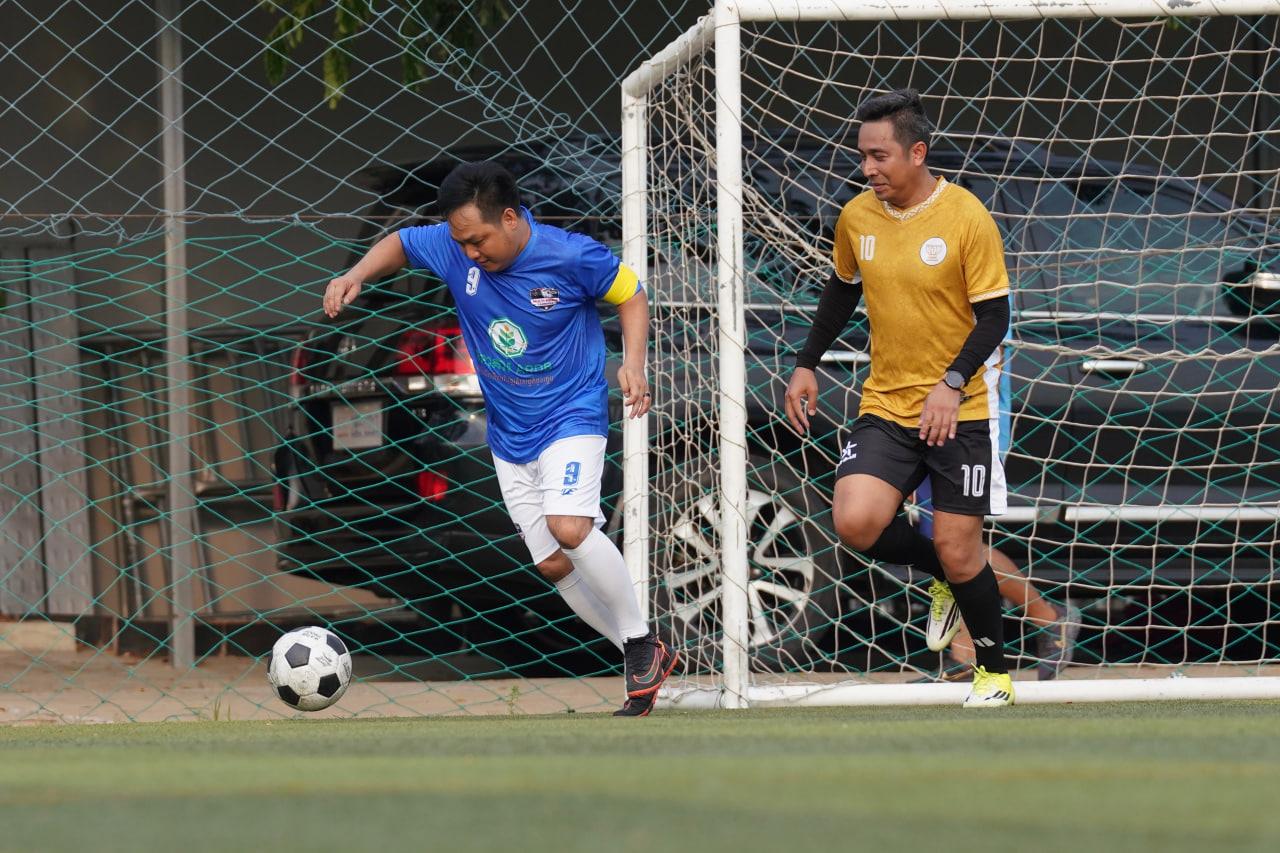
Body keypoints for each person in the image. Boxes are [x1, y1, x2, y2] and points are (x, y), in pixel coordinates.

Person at [323, 160, 677, 717]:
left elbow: (631, 293)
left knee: (570, 529)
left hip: (572, 415)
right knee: (553, 564)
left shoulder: (569, 255)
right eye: (460, 242)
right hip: (510, 433)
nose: (469, 253)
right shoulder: (453, 245)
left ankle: (637, 641)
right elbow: (401, 242)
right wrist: (358, 275)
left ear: (510, 218)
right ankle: (644, 654)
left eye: (478, 240)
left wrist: (634, 363)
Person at [784, 88, 1015, 707]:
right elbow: (842, 289)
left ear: (917, 153)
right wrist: (806, 363)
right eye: (862, 156)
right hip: (886, 404)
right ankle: (940, 577)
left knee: (961, 550)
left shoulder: (966, 216)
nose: (867, 169)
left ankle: (994, 676)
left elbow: (995, 317)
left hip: (959, 410)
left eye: (879, 156)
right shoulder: (857, 216)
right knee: (855, 521)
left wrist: (951, 383)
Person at [914, 338, 1080, 682]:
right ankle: (966, 655)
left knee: (952, 540)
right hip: (918, 414)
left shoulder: (985, 304)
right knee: (940, 540)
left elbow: (987, 345)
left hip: (971, 419)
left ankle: (1048, 618)